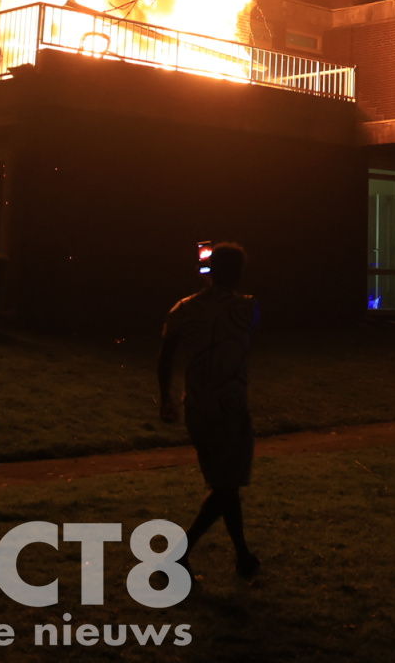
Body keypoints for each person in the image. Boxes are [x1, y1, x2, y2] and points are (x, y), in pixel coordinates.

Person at [159, 242, 263, 579]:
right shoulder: (248, 308)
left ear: (209, 271)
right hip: (230, 407)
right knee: (226, 484)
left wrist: (167, 398)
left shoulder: (184, 309)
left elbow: (166, 356)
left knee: (225, 484)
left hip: (198, 407)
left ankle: (243, 556)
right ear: (240, 273)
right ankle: (180, 553)